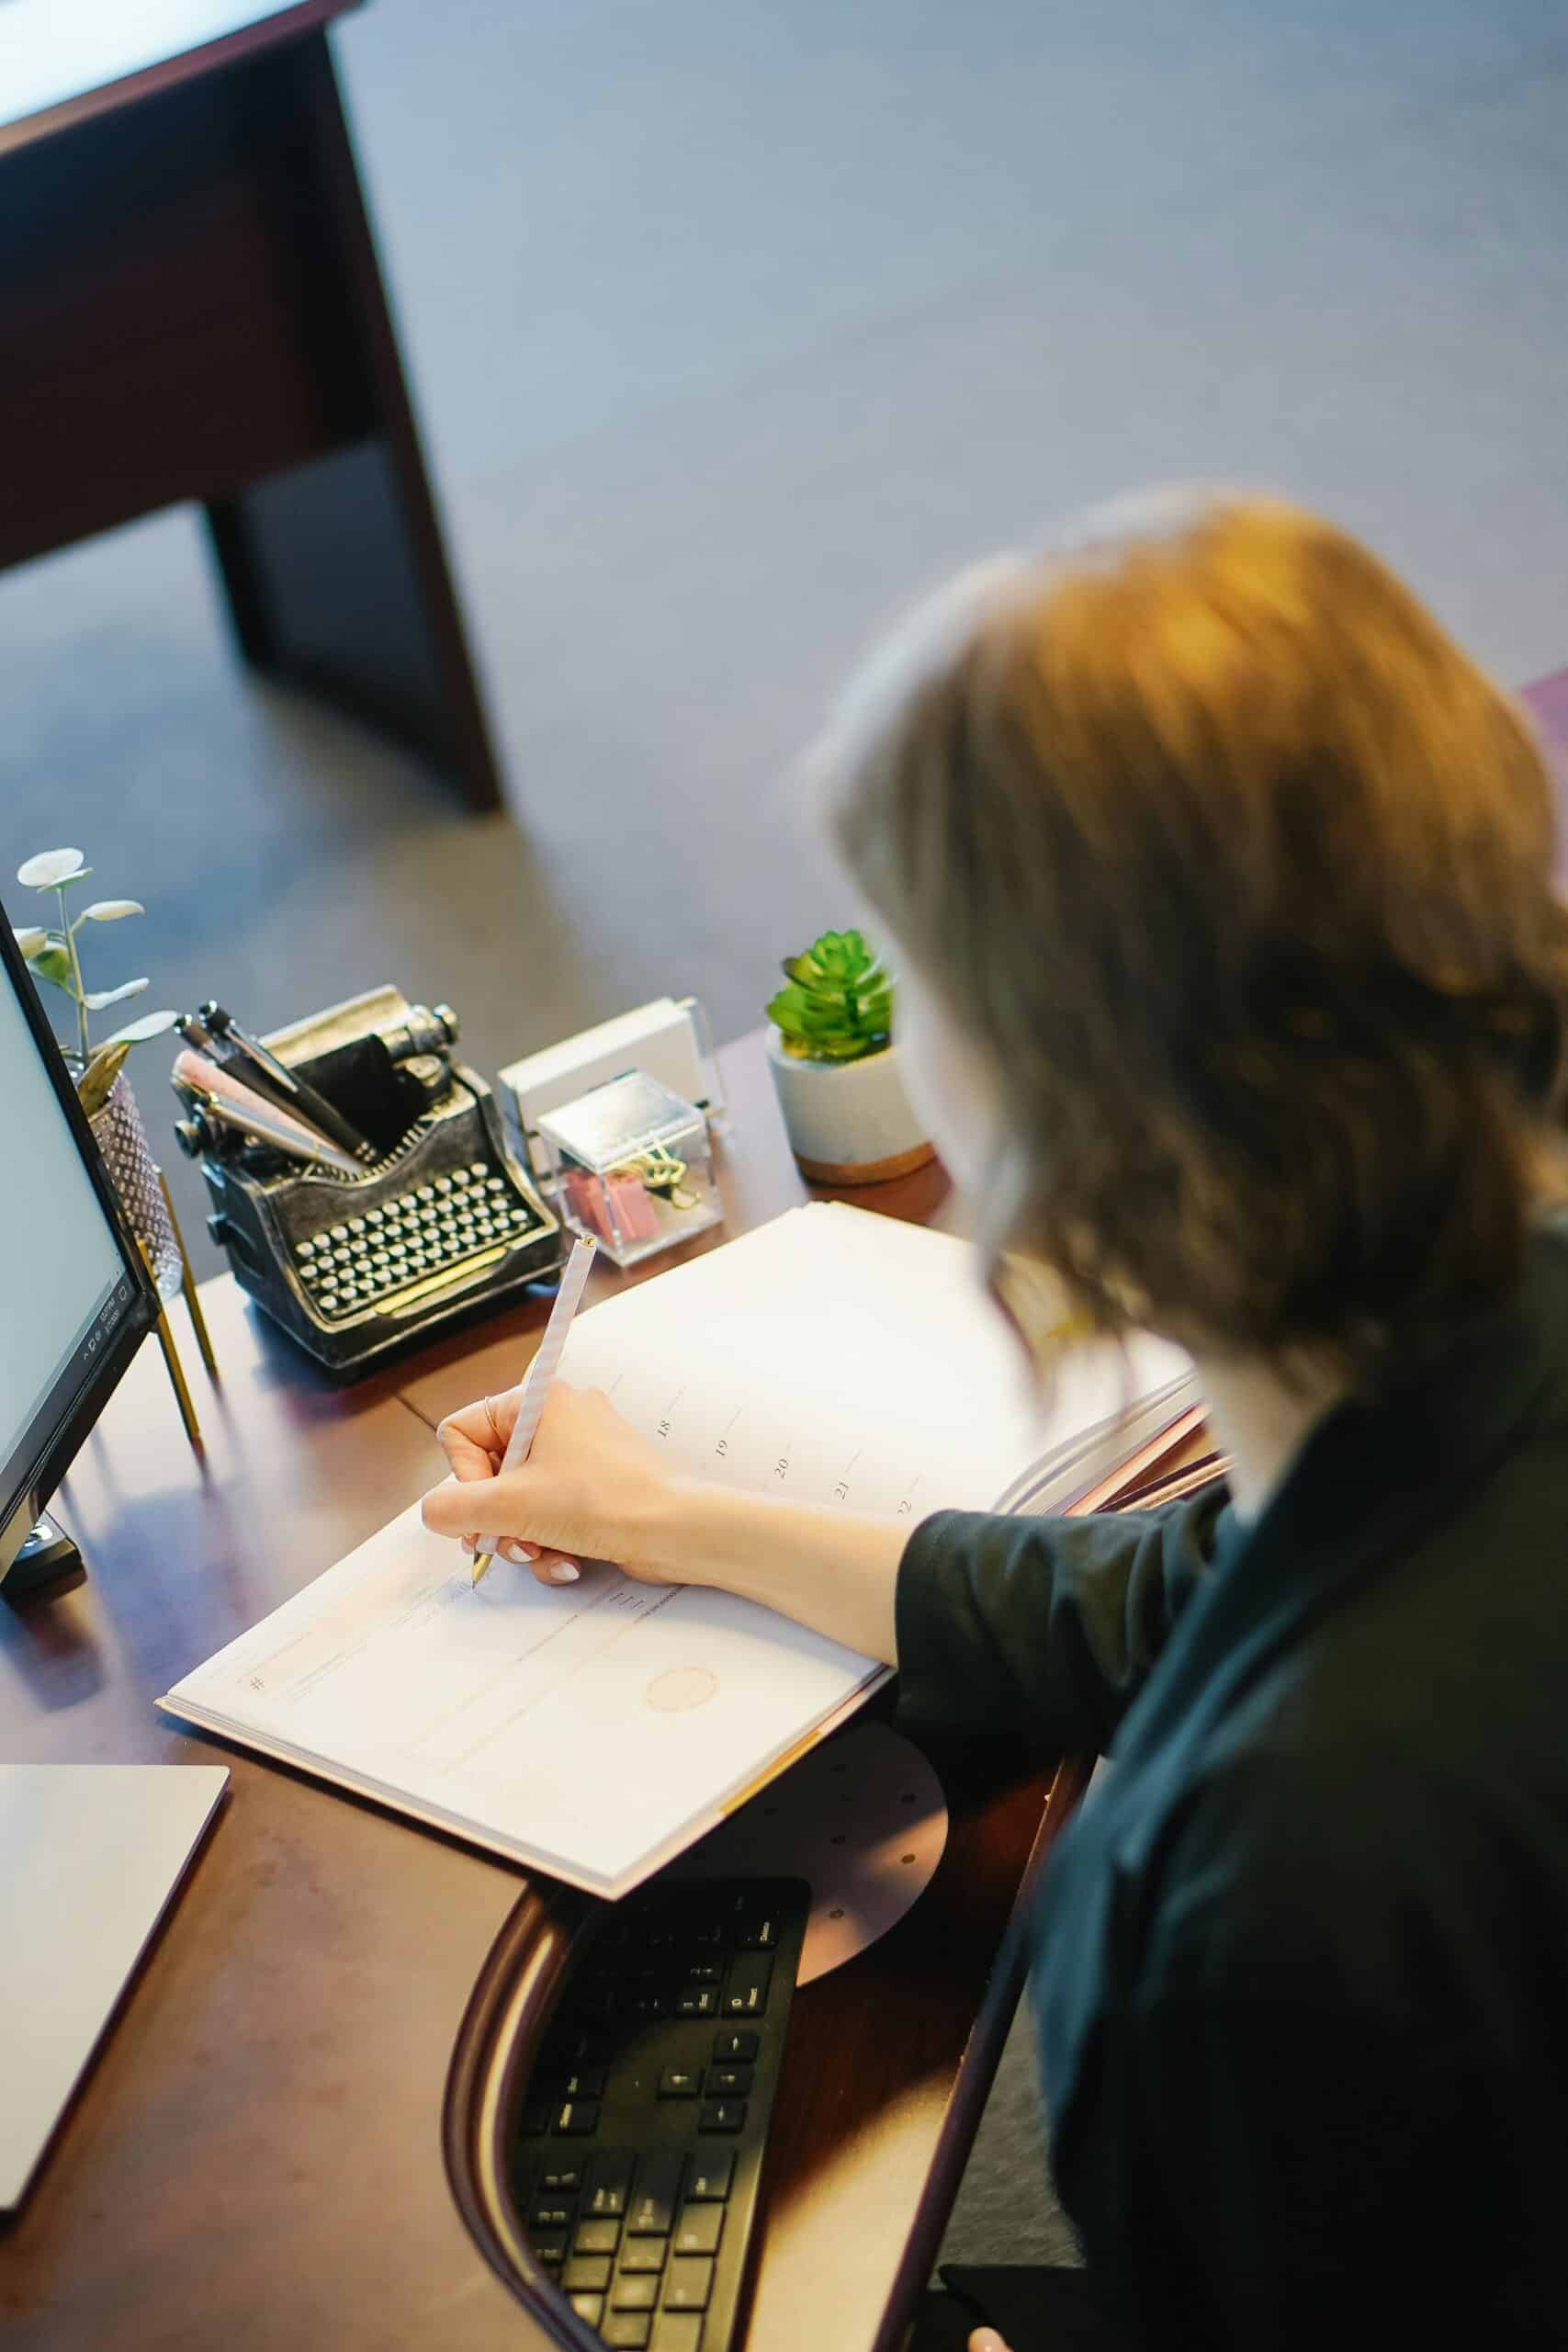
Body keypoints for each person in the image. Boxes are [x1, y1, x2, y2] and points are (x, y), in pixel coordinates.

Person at [421, 493, 1568, 2349]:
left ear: (1058, 1089)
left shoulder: (1256, 1886)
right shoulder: (1473, 1340)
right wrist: (672, 1514)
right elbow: (1184, 1589)